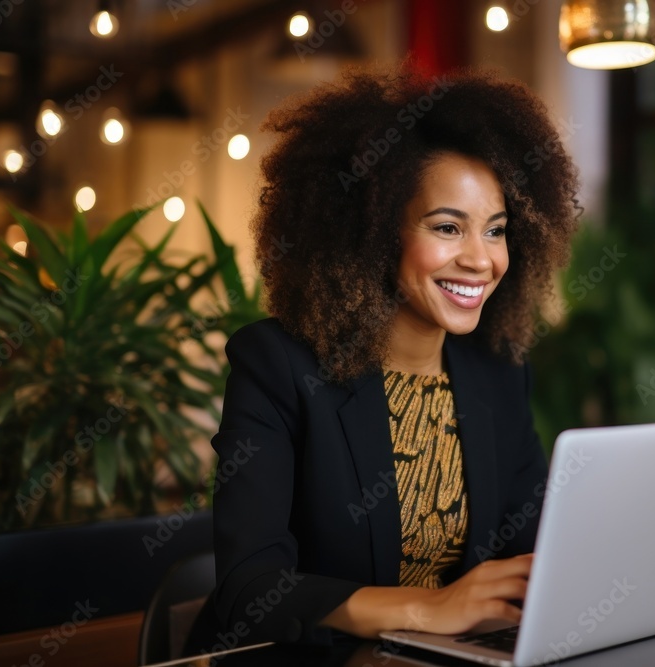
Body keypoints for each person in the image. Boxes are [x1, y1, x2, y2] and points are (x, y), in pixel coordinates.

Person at [210, 59, 582, 648]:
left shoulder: (498, 374)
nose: (481, 260)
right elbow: (248, 590)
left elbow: (532, 550)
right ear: (374, 233)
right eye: (447, 228)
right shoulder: (278, 367)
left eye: (496, 229)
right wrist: (430, 609)